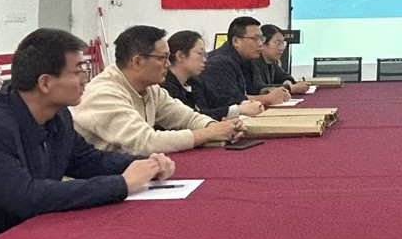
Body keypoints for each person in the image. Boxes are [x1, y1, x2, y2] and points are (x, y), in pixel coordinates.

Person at [0, 29, 175, 239]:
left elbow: (85, 159)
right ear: (45, 83)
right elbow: (26, 197)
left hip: (33, 234)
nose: (86, 80)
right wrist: (121, 184)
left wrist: (144, 164)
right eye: (78, 71)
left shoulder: (58, 115)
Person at [71, 26, 242, 155]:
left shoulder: (151, 89)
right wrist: (209, 133)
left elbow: (186, 117)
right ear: (137, 62)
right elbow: (146, 143)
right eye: (163, 58)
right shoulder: (103, 93)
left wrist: (217, 127)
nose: (168, 64)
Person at [161, 30, 264, 120]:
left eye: (205, 54)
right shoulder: (166, 88)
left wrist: (243, 104)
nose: (205, 59)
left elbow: (213, 106)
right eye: (200, 53)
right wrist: (238, 110)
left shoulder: (194, 83)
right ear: (180, 56)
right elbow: (192, 119)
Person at [196, 17, 291, 109]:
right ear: (236, 41)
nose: (260, 44)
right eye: (255, 39)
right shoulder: (219, 63)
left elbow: (254, 87)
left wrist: (267, 91)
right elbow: (228, 101)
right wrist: (267, 99)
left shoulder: (248, 58)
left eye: (261, 38)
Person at [250, 25, 310, 96]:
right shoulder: (253, 62)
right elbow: (259, 88)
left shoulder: (272, 63)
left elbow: (285, 77)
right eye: (277, 43)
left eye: (283, 43)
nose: (281, 48)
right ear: (263, 44)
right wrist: (291, 88)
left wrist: (287, 82)